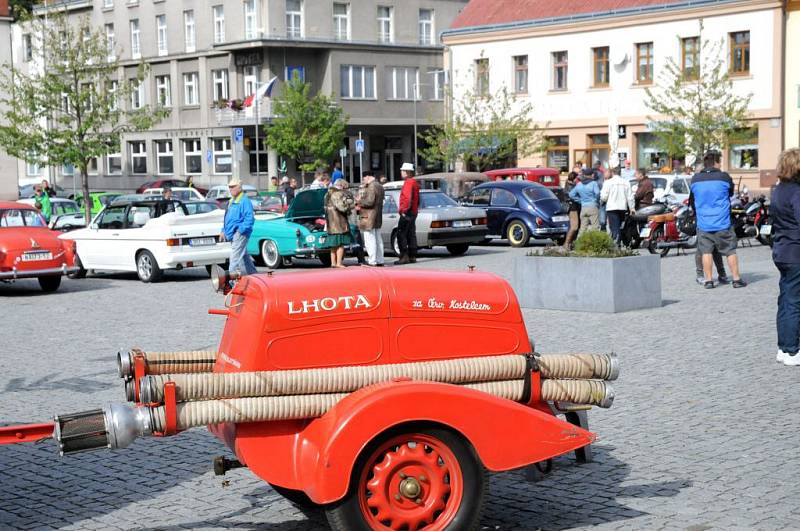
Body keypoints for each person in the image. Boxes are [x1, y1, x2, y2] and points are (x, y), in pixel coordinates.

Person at [689, 151, 746, 289]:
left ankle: (708, 281)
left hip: (704, 223)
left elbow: (692, 200)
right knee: (730, 251)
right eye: (719, 161)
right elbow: (731, 192)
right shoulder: (724, 177)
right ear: (715, 162)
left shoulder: (695, 179)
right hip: (722, 222)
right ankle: (736, 279)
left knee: (706, 252)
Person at [771, 148, 800, 365]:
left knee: (785, 300)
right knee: (793, 302)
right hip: (795, 252)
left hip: (781, 250)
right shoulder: (797, 192)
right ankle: (792, 350)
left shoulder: (778, 190)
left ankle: (783, 347)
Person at [221, 177, 257, 275]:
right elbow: (227, 217)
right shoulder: (232, 200)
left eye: (233, 187)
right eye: (229, 187)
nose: (230, 189)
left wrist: (240, 230)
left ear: (239, 188)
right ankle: (255, 276)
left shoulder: (244, 201)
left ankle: (232, 283)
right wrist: (223, 230)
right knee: (244, 258)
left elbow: (249, 219)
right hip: (233, 233)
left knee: (234, 259)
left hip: (240, 233)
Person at [324, 179, 354, 268]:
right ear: (341, 186)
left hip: (330, 223)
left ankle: (333, 263)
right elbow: (342, 208)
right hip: (339, 223)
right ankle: (339, 263)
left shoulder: (327, 194)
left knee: (333, 246)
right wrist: (350, 205)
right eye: (345, 187)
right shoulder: (337, 194)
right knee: (340, 245)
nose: (345, 189)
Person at [358, 172, 385, 266]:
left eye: (364, 178)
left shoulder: (371, 186)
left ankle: (372, 261)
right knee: (378, 239)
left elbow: (369, 202)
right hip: (377, 215)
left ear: (368, 177)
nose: (363, 180)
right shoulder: (380, 186)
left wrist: (359, 201)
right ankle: (380, 260)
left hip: (368, 216)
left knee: (370, 239)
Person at [600, 169, 634, 244]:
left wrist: (605, 200)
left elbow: (603, 197)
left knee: (614, 226)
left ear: (612, 173)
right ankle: (619, 241)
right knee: (620, 226)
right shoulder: (626, 182)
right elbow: (630, 197)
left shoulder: (608, 182)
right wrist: (632, 207)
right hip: (622, 207)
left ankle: (616, 243)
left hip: (611, 207)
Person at [395, 162, 420, 265]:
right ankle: (412, 256)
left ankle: (404, 256)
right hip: (413, 211)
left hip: (407, 211)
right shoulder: (414, 182)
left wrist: (403, 210)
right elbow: (417, 199)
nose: (401, 172)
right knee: (411, 234)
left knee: (401, 234)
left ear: (407, 172)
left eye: (402, 171)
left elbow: (407, 198)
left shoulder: (409, 182)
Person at [569, 168, 601, 235]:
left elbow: (571, 194)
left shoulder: (579, 184)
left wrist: (580, 200)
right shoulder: (593, 183)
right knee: (595, 227)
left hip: (583, 208)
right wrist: (596, 201)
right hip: (593, 207)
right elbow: (598, 194)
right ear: (592, 175)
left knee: (583, 228)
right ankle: (595, 244)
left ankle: (579, 243)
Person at [563, 171, 581, 249]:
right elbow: (572, 197)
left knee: (573, 227)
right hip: (573, 208)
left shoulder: (568, 185)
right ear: (574, 178)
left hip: (573, 208)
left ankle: (571, 243)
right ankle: (566, 243)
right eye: (577, 178)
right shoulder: (572, 186)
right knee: (574, 227)